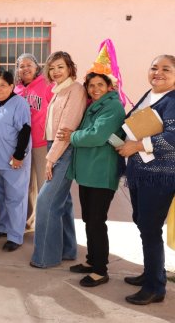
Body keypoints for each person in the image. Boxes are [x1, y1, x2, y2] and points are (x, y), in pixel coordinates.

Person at [116, 55, 175, 305]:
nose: (157, 73)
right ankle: (152, 272)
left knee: (150, 229)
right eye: (153, 67)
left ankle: (155, 288)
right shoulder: (149, 95)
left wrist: (138, 145)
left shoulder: (172, 100)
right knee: (142, 223)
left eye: (166, 69)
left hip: (160, 176)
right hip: (141, 173)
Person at [61, 72, 125, 287]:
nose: (95, 89)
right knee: (89, 219)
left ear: (109, 86)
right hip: (89, 172)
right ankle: (92, 261)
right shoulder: (96, 104)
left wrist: (72, 136)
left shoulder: (113, 107)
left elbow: (96, 135)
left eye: (100, 84)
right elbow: (92, 132)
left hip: (101, 172)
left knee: (97, 221)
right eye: (91, 85)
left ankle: (100, 270)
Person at [30, 51, 87, 268]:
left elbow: (67, 128)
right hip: (53, 145)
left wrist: (50, 159)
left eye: (60, 67)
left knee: (45, 202)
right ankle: (68, 249)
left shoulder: (76, 89)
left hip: (64, 149)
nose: (55, 72)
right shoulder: (57, 90)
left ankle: (45, 257)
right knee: (63, 201)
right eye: (52, 68)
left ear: (70, 68)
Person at [0, 70, 32, 252]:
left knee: (15, 199)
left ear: (12, 86)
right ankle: (2, 227)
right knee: (1, 197)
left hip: (13, 161)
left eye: (2, 85)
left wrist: (19, 155)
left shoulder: (19, 103)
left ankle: (15, 235)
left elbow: (25, 130)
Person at [14, 53, 54, 231]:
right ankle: (28, 221)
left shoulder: (46, 85)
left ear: (37, 67)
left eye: (29, 65)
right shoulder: (16, 90)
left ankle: (44, 222)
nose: (25, 69)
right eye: (21, 66)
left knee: (44, 184)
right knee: (27, 184)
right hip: (22, 145)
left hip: (40, 143)